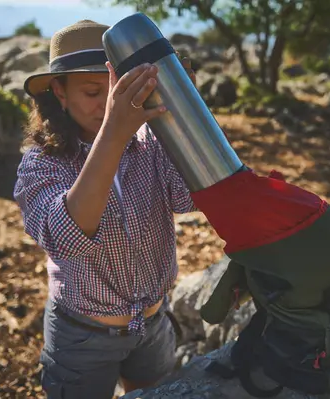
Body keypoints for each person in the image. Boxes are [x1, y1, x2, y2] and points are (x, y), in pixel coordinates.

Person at [13, 19, 198, 398]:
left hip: (153, 323)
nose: (111, 103)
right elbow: (66, 237)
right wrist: (115, 129)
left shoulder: (150, 142)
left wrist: (185, 116)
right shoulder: (43, 163)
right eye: (94, 92)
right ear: (59, 93)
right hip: (82, 336)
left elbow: (187, 198)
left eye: (118, 89)